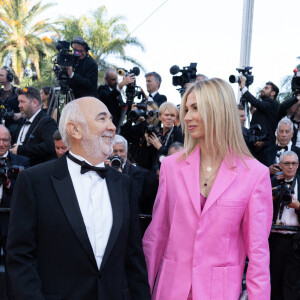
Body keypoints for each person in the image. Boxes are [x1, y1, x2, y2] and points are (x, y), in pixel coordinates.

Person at [6, 97, 150, 299]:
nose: (111, 126)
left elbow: (133, 258)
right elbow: (20, 257)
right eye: (102, 119)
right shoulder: (34, 181)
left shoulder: (124, 184)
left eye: (111, 119)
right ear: (74, 130)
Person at [143, 78, 273, 299]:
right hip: (170, 290)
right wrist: (141, 290)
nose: (186, 117)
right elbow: (156, 236)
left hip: (220, 292)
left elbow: (258, 253)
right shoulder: (171, 167)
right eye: (186, 109)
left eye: (195, 108)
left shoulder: (255, 174)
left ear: (217, 111)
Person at [0, 125, 30, 300]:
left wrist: (10, 184)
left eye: (5, 140)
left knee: (13, 266)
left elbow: (27, 190)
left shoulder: (22, 161)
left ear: (11, 142)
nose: (2, 144)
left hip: (11, 220)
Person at [270, 151, 300, 300]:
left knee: (292, 283)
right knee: (274, 280)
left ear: (298, 165)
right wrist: (269, 197)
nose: (290, 167)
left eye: (293, 163)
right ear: (280, 165)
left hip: (296, 240)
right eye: (286, 163)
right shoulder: (272, 181)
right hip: (274, 238)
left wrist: (298, 206)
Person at [10, 87, 58, 166]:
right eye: (19, 102)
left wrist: (21, 150)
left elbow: (50, 147)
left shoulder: (47, 121)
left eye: (22, 102)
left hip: (35, 173)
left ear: (34, 102)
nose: (19, 105)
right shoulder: (22, 121)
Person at [239, 77, 279, 146]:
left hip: (266, 146)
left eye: (266, 88)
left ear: (273, 93)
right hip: (257, 144)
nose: (263, 89)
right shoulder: (266, 107)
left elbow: (256, 102)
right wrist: (254, 113)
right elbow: (264, 121)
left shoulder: (272, 103)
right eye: (263, 88)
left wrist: (243, 88)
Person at [0, 66, 20, 135]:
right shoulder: (0, 92)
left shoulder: (17, 92)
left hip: (14, 129)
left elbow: (28, 109)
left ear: (9, 77)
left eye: (1, 75)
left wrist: (20, 115)